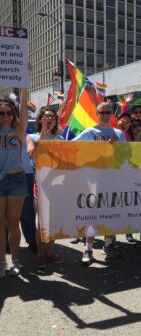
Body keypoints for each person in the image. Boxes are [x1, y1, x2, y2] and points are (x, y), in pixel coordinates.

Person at [74, 100, 126, 265]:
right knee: (92, 215)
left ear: (112, 115)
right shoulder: (89, 132)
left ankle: (109, 245)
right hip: (94, 181)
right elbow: (70, 147)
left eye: (107, 112)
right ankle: (88, 249)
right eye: (101, 112)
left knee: (111, 214)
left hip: (114, 180)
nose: (104, 115)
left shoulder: (118, 134)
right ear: (97, 115)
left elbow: (126, 155)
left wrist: (116, 149)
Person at [27, 108, 65, 268]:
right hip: (41, 183)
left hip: (58, 184)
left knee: (54, 220)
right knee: (41, 220)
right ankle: (40, 254)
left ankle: (50, 251)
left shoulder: (60, 139)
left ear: (56, 121)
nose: (49, 119)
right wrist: (42, 135)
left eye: (52, 117)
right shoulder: (32, 137)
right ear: (40, 119)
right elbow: (32, 155)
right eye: (46, 116)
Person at [0, 88, 29, 278]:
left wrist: (25, 87)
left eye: (9, 112)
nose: (5, 116)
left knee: (13, 223)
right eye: (1, 113)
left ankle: (15, 260)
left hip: (17, 179)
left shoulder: (18, 131)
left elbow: (25, 112)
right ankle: (2, 262)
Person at [125, 118, 141, 242]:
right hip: (130, 178)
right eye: (134, 126)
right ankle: (129, 232)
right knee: (130, 205)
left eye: (139, 125)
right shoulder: (127, 144)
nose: (137, 128)